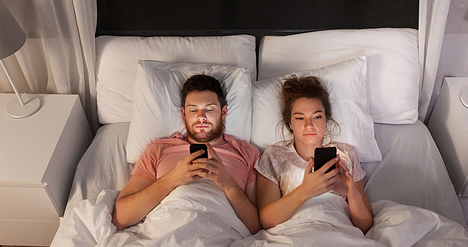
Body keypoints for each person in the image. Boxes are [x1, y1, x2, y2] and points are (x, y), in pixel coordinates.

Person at [112, 74, 261, 234]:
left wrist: (229, 185)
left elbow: (256, 227)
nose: (201, 117)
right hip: (168, 231)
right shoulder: (159, 149)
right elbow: (120, 218)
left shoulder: (246, 153)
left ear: (223, 112)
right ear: (184, 114)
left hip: (221, 234)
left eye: (209, 109)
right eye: (193, 110)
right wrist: (172, 179)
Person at [255, 75, 373, 233]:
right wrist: (305, 191)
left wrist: (352, 194)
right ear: (290, 124)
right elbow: (266, 220)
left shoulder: (345, 154)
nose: (308, 125)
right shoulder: (274, 155)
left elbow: (365, 226)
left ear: (326, 120)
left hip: (339, 234)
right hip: (293, 235)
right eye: (299, 118)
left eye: (317, 117)